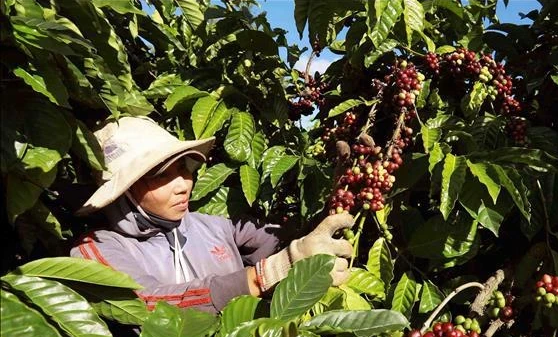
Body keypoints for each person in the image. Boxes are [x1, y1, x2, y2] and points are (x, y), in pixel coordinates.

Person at [71, 116, 354, 314]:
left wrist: (339, 191)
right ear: (125, 190)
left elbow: (285, 241)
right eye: (162, 176)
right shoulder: (97, 250)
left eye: (185, 169)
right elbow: (145, 306)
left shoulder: (209, 226)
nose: (183, 185)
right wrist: (261, 277)